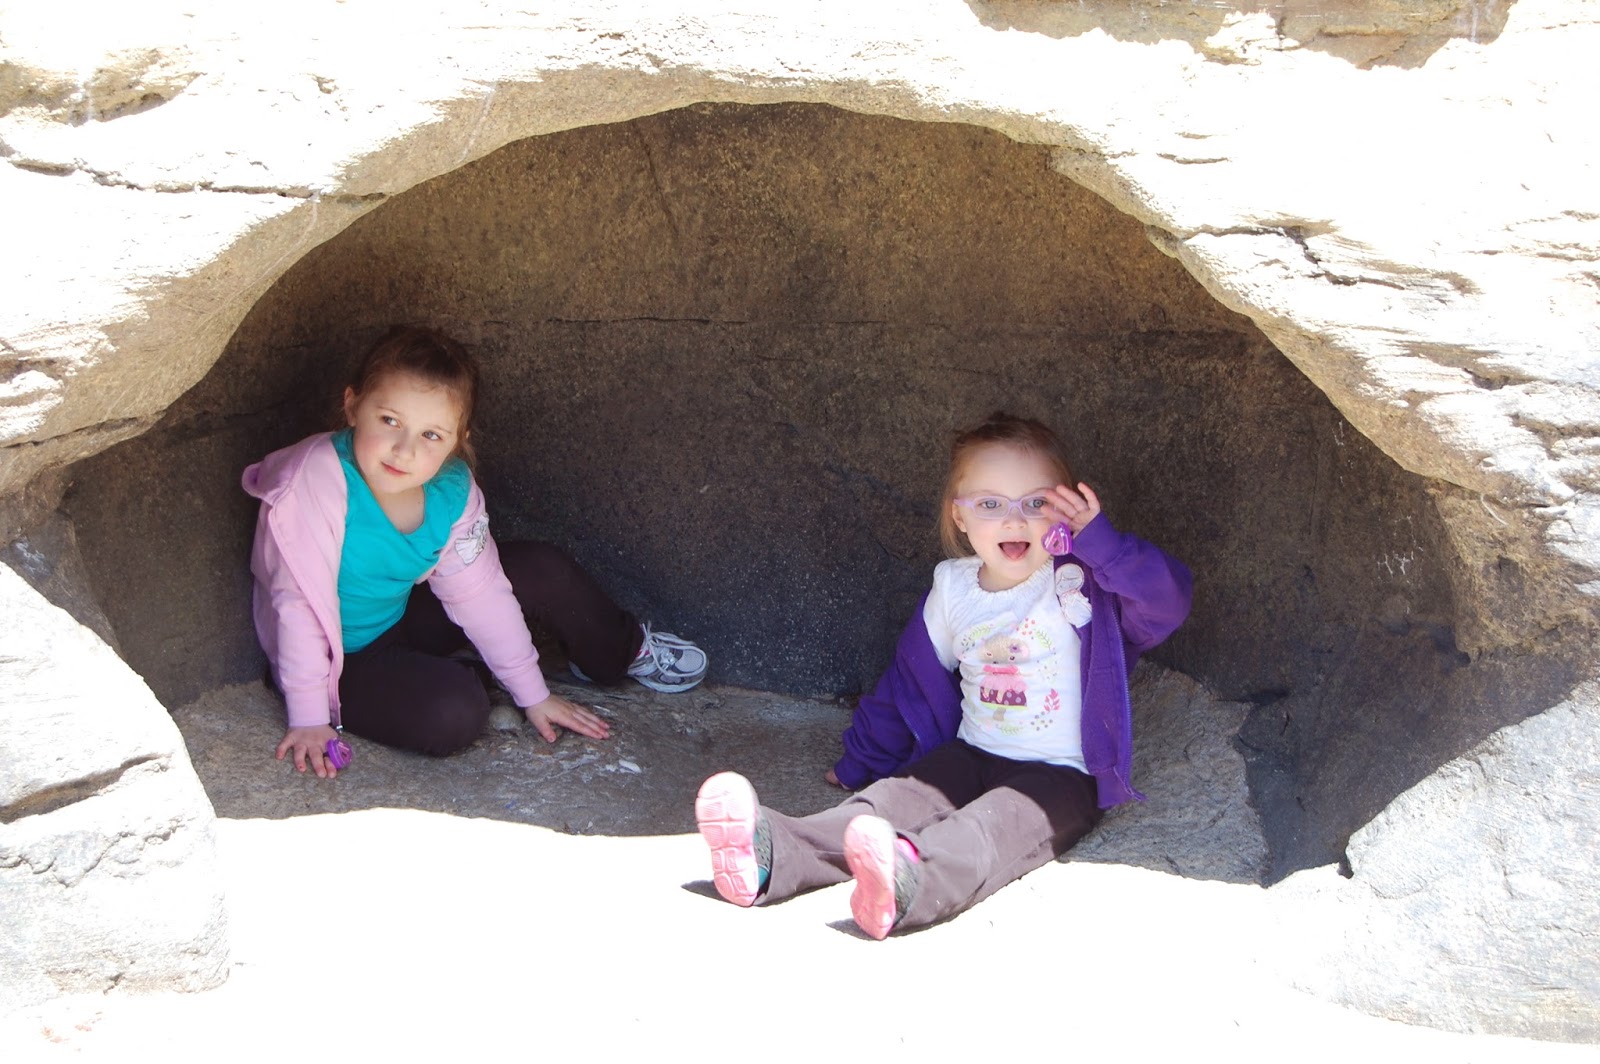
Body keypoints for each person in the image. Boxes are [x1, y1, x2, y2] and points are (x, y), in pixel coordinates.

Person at [695, 412, 1190, 938]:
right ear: (960, 516)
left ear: (1065, 510)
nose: (1014, 521)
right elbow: (908, 681)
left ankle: (907, 882)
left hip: (1063, 776)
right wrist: (863, 759)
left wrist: (1104, 545)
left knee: (987, 829)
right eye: (990, 505)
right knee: (888, 801)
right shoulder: (954, 589)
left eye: (1035, 504)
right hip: (971, 753)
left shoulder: (1084, 582)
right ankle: (772, 851)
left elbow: (1168, 603)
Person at [242, 324, 707, 778]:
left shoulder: (451, 491)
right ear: (352, 406)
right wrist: (308, 715)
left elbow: (479, 593)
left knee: (542, 569)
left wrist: (534, 694)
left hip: (399, 616)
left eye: (431, 435)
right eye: (389, 421)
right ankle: (466, 674)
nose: (404, 451)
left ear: (458, 440)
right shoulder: (316, 481)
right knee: (456, 714)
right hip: (336, 659)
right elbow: (298, 605)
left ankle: (617, 654)